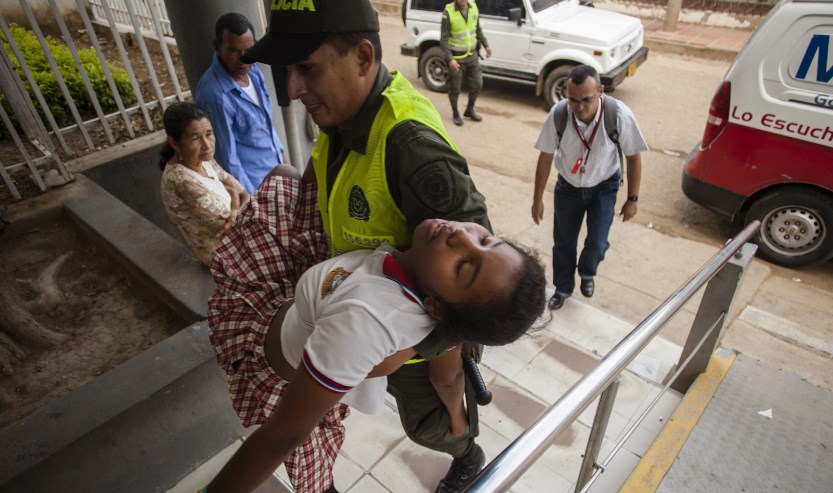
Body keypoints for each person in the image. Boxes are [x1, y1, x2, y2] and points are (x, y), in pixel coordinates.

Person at [225, 1, 497, 491]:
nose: (292, 88)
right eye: (288, 69)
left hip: (411, 342)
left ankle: (467, 454)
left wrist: (413, 347)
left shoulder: (413, 150)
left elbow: (480, 279)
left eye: (306, 68)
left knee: (429, 424)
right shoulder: (341, 112)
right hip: (366, 318)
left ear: (364, 56)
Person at [204, 173, 546, 493]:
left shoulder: (366, 319)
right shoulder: (412, 276)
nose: (462, 236)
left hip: (277, 359)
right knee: (285, 174)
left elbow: (283, 435)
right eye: (485, 238)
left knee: (315, 477)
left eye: (463, 266)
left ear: (437, 309)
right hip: (300, 319)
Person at [531, 65, 647, 310]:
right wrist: (537, 199)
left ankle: (587, 271)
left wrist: (632, 199)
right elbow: (545, 157)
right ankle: (562, 288)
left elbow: (634, 157)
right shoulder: (559, 114)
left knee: (597, 241)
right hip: (569, 188)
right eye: (573, 100)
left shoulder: (618, 115)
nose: (579, 107)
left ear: (601, 91)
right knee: (563, 243)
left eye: (586, 100)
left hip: (604, 186)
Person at [194, 12, 287, 194]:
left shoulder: (253, 72)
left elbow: (267, 127)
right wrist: (253, 201)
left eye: (248, 49)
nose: (243, 58)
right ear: (217, 46)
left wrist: (284, 161)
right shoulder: (215, 96)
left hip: (278, 176)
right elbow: (227, 159)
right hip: (255, 189)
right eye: (233, 50)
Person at [158, 102, 249, 266]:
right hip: (227, 255)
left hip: (242, 238)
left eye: (209, 134)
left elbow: (243, 193)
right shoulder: (181, 182)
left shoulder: (203, 159)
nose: (207, 145)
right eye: (195, 138)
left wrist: (234, 203)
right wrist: (233, 194)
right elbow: (232, 226)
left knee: (282, 173)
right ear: (174, 143)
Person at [441, 0, 491, 126]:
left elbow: (477, 29)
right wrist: (450, 59)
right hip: (456, 57)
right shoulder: (449, 12)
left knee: (478, 83)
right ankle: (456, 113)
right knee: (455, 88)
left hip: (471, 55)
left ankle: (469, 109)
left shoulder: (473, 7)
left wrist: (486, 45)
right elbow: (444, 38)